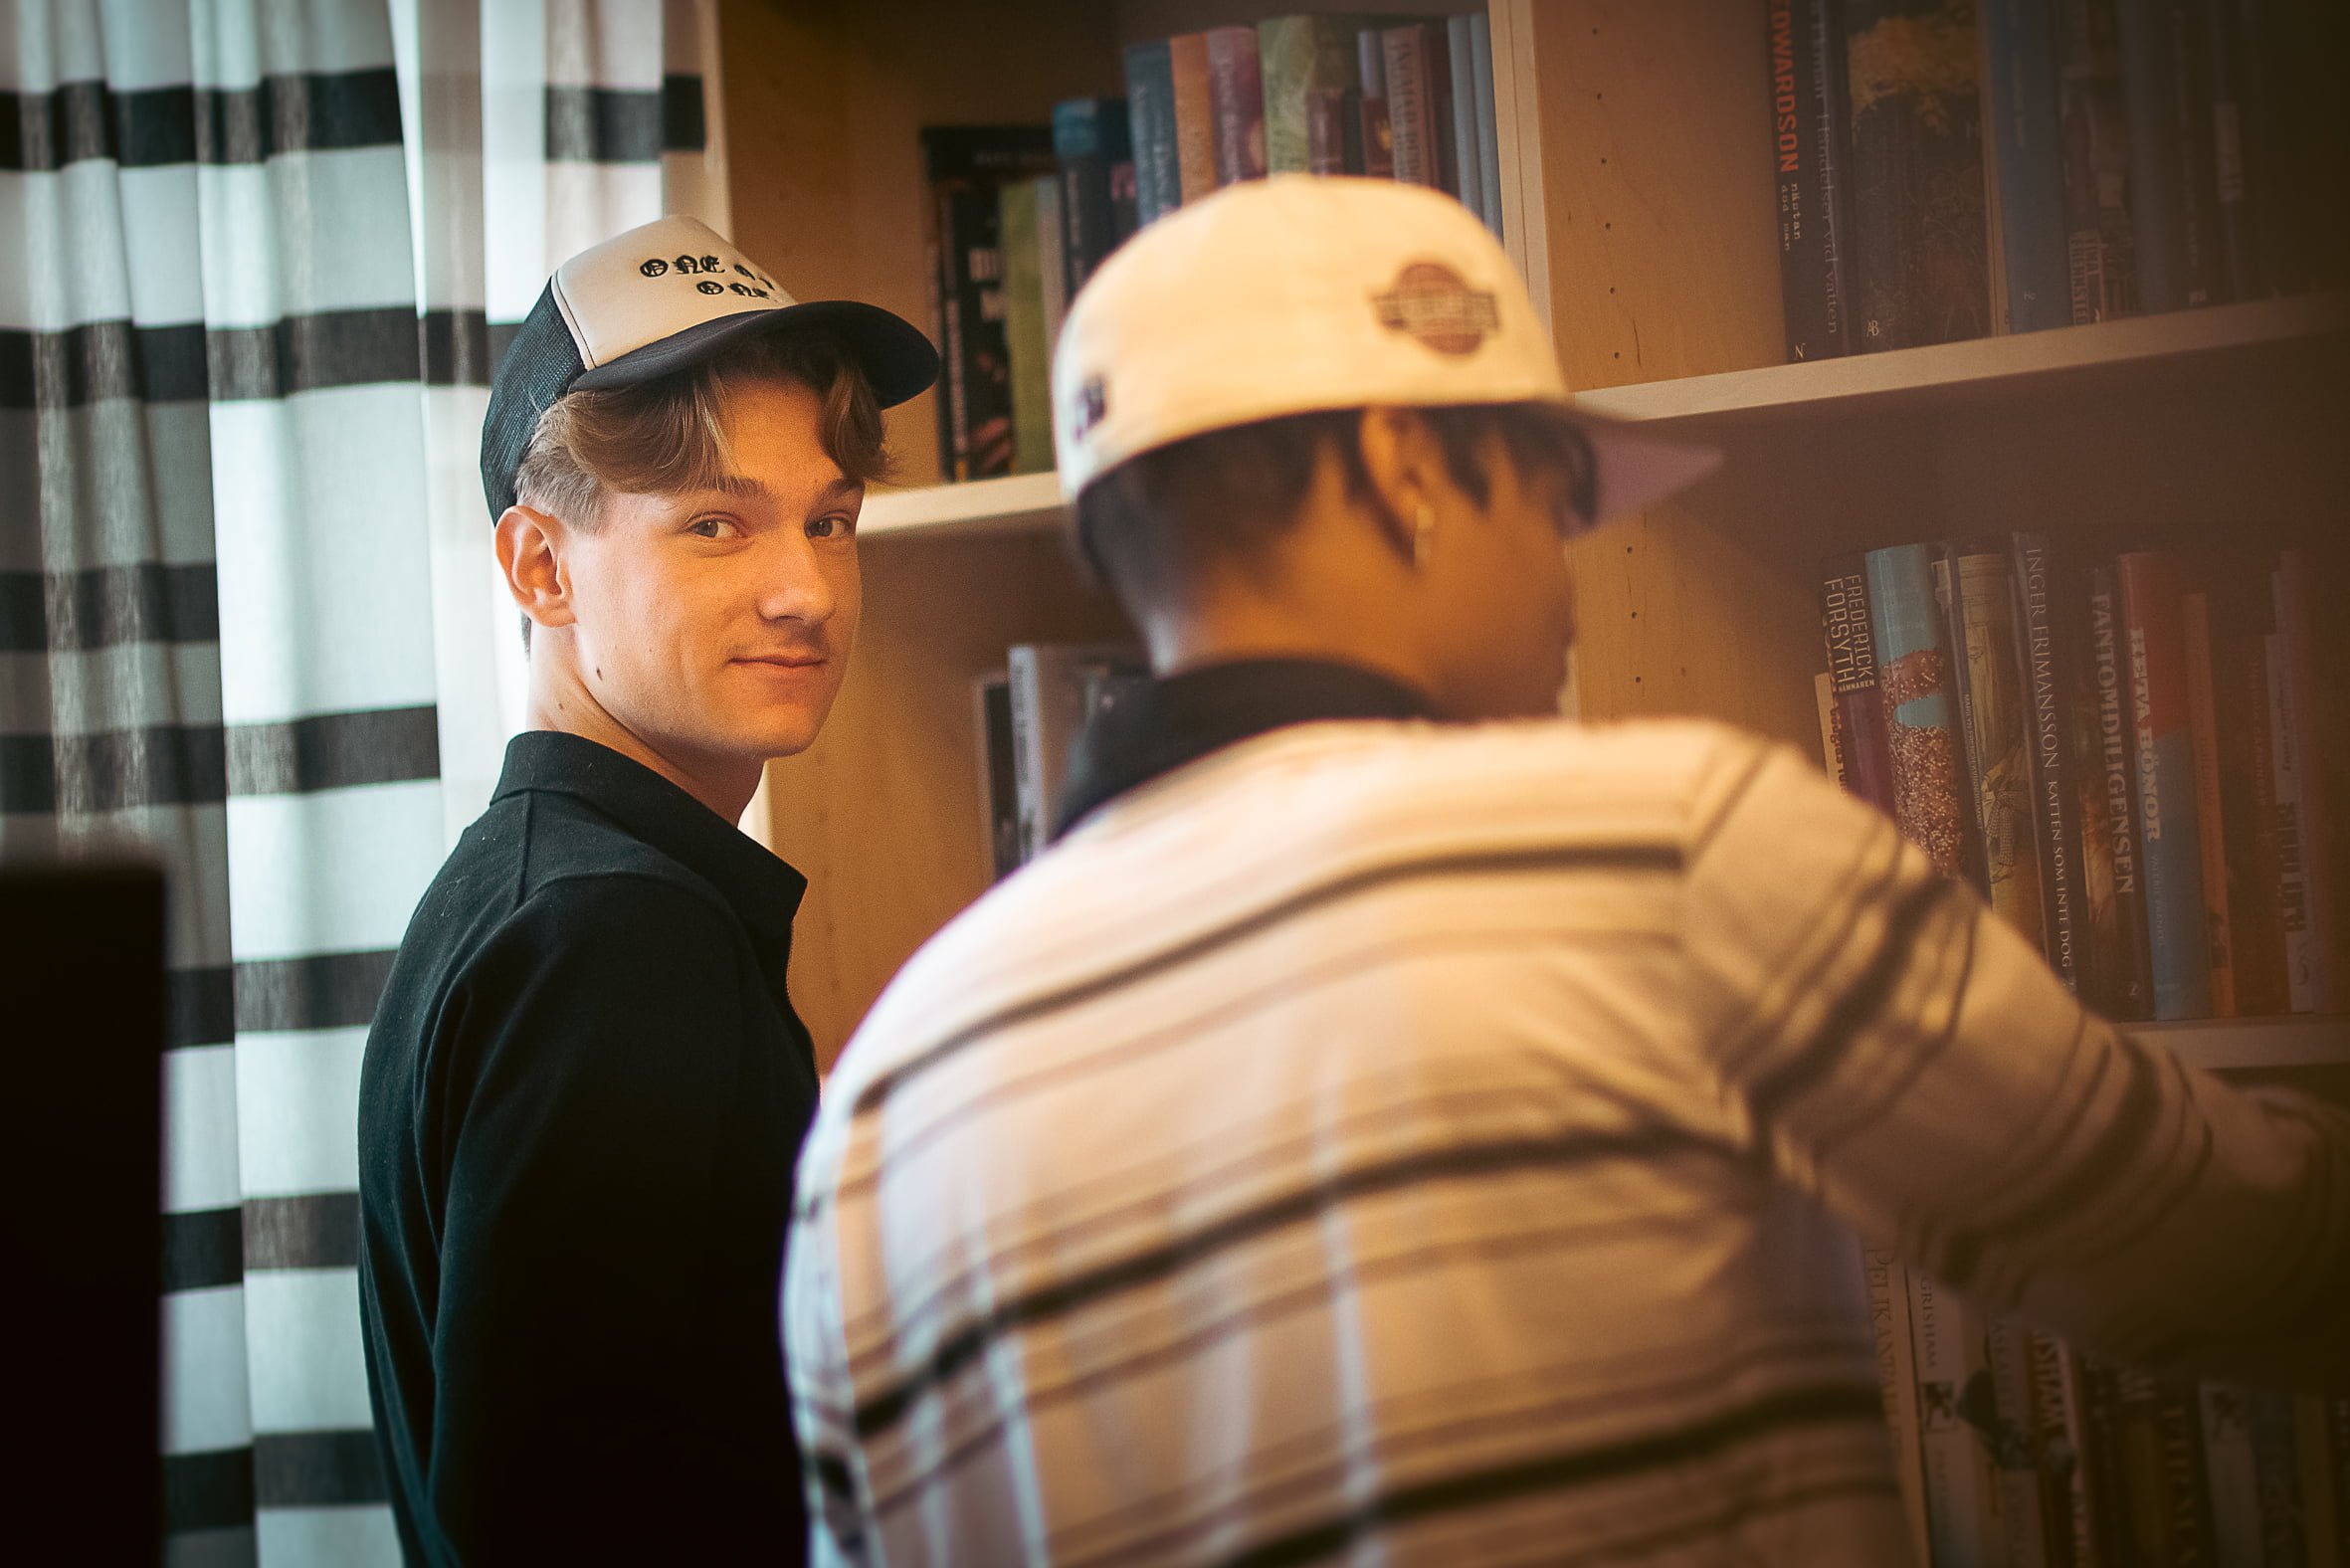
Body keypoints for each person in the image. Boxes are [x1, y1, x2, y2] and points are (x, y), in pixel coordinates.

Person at [781, 178, 2350, 1566]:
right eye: (1554, 495)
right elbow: (2238, 1255)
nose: (1564, 583)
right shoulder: (1657, 853)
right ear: (1405, 467)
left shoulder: (881, 1110)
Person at [357, 215, 935, 1563]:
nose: (804, 589)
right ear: (541, 567)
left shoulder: (518, 889)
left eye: (830, 520)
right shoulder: (614, 937)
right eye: (714, 525)